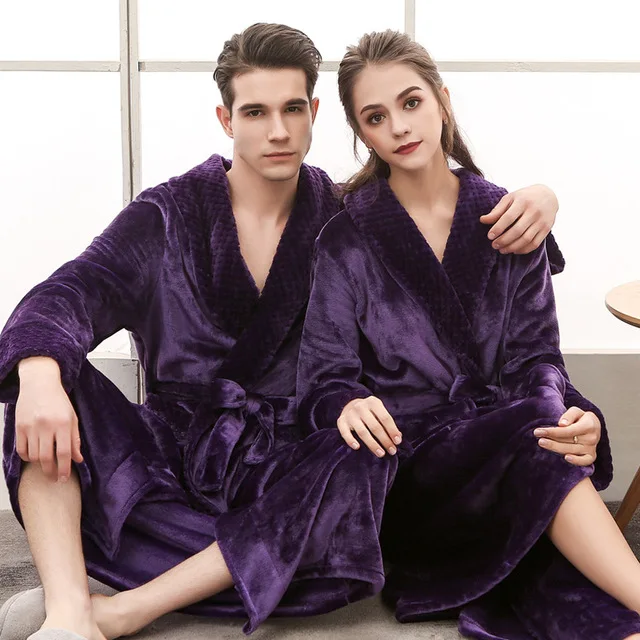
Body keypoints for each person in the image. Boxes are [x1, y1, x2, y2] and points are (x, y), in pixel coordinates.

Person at [1, 23, 561, 640]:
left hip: (291, 477)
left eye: (293, 109)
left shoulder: (344, 215)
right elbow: (68, 293)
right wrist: (40, 374)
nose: (278, 131)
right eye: (255, 112)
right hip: (172, 464)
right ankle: (69, 613)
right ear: (225, 119)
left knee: (364, 451)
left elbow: (438, 224)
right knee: (45, 374)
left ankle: (139, 599)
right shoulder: (168, 215)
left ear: (314, 112)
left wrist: (541, 199)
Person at [296, 30, 640, 640]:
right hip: (412, 476)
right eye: (376, 117)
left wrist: (573, 417)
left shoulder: (507, 219)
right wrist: (344, 402)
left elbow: (538, 357)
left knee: (544, 430)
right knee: (533, 433)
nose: (399, 127)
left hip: (508, 450)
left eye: (411, 102)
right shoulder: (345, 240)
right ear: (361, 133)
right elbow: (322, 379)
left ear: (442, 100)